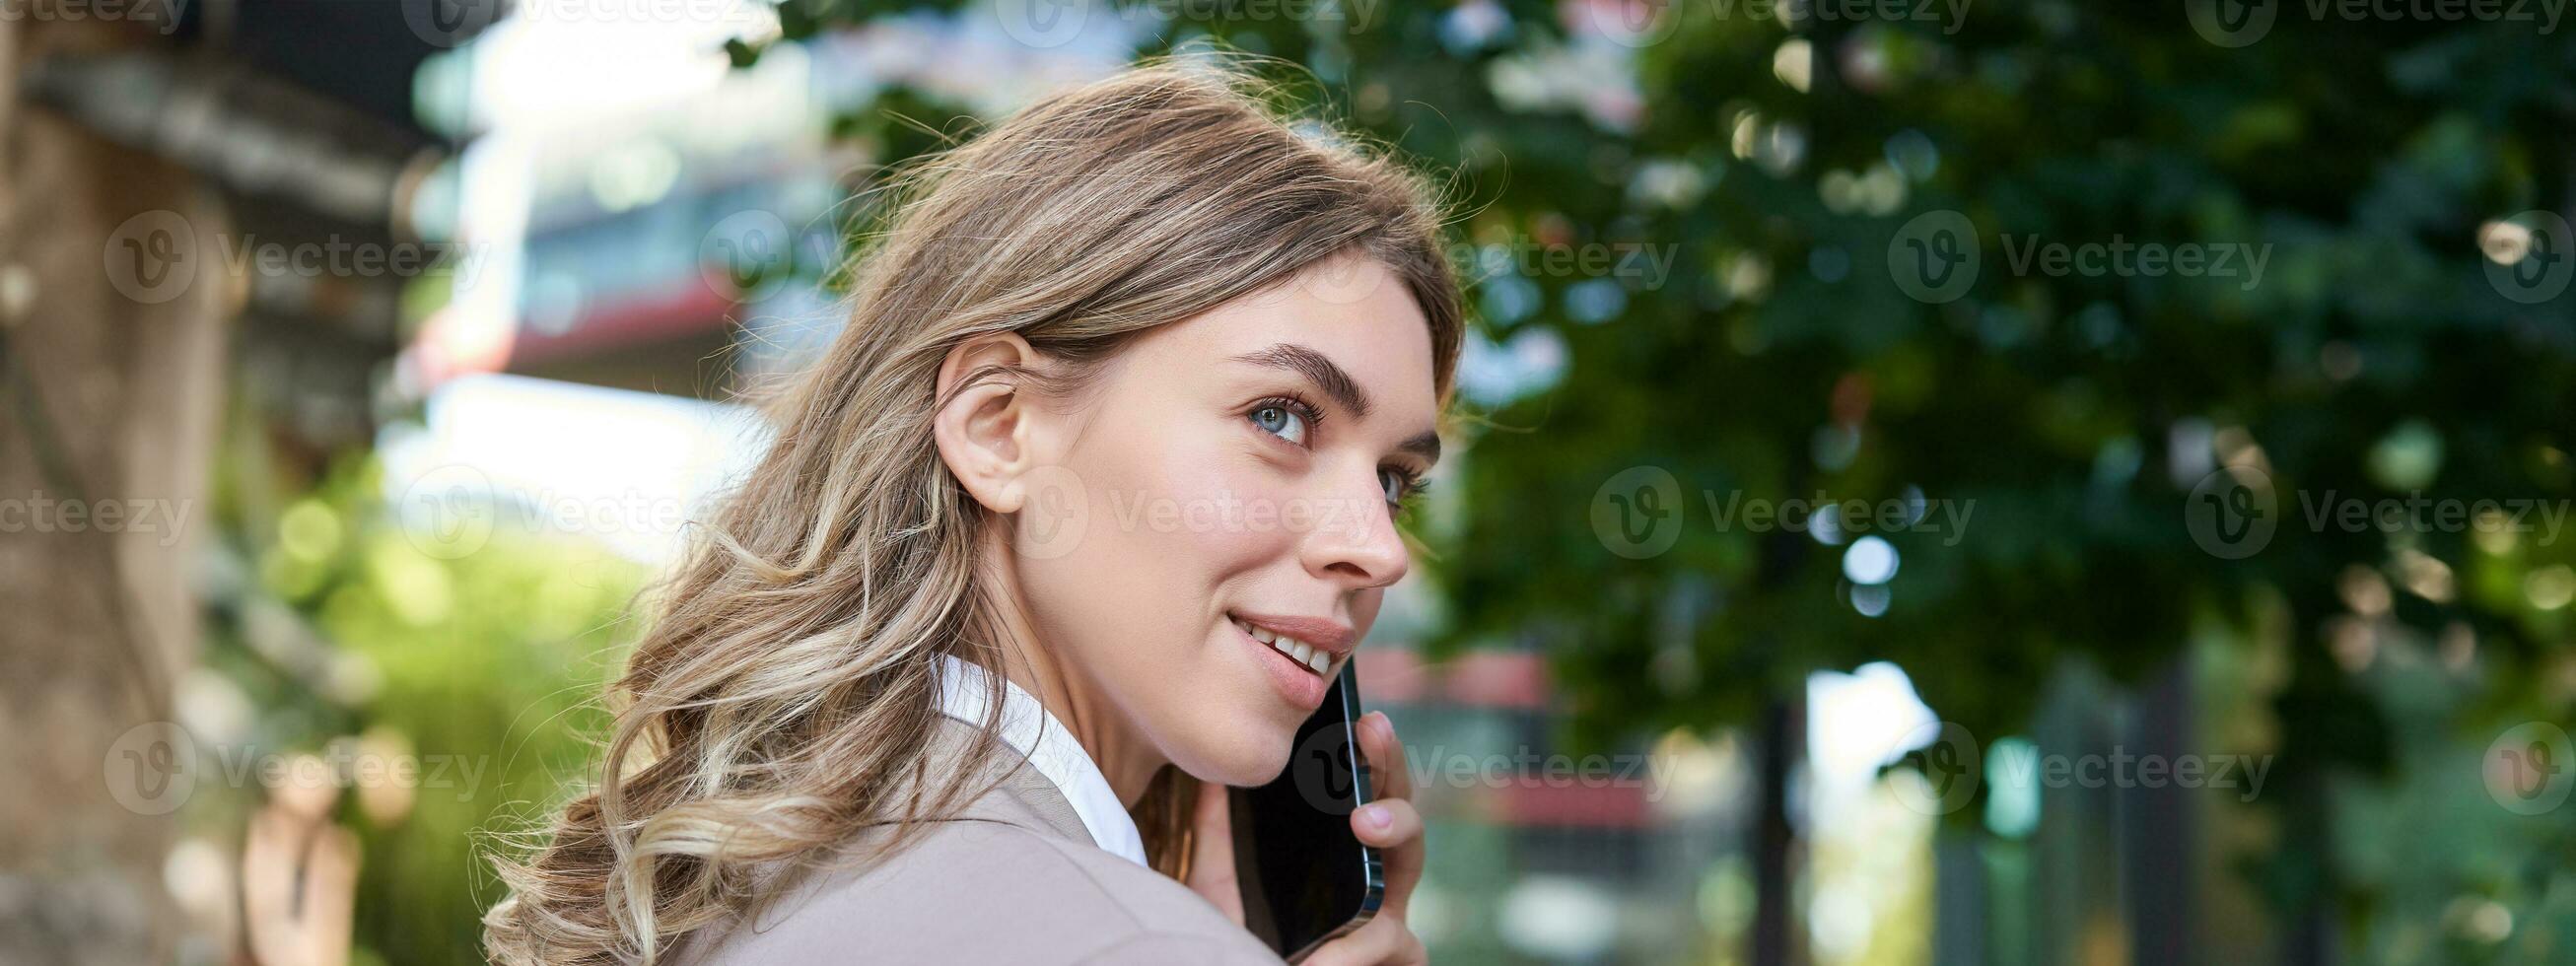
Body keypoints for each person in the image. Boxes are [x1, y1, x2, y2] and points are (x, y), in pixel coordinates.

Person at [482, 59, 1462, 965]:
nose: (1379, 550)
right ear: (999, 424)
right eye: (1280, 417)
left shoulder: (740, 890)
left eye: (1392, 480)